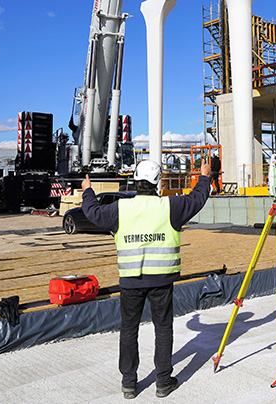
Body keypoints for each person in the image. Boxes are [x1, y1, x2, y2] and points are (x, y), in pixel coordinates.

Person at [81, 160, 211, 399]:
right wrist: (204, 177)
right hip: (161, 281)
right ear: (157, 182)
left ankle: (129, 384)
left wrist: (87, 190)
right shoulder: (171, 206)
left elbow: (93, 213)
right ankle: (163, 382)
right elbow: (197, 199)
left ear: (135, 180)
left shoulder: (120, 208)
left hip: (131, 282)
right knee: (163, 329)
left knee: (129, 330)